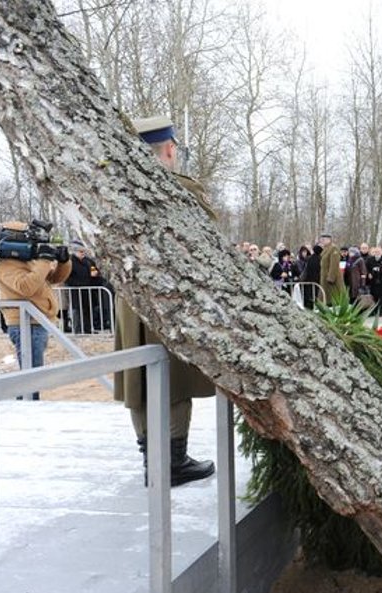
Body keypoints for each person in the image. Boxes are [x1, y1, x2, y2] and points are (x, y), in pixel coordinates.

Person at [116, 115, 217, 487]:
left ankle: (150, 461)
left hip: (130, 301)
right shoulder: (179, 188)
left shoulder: (113, 188)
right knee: (173, 380)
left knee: (138, 380)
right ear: (170, 149)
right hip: (168, 298)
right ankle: (172, 462)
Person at [0, 221, 72, 400]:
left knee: (32, 374)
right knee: (31, 376)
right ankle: (28, 408)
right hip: (24, 324)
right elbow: (25, 287)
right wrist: (43, 261)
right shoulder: (4, 266)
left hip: (38, 321)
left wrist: (63, 261)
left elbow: (54, 278)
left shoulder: (28, 261)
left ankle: (27, 405)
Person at [65, 239, 105, 333]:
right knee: (78, 311)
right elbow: (68, 278)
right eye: (80, 251)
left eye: (84, 251)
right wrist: (79, 284)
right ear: (75, 252)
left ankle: (88, 329)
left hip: (89, 291)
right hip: (77, 291)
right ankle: (78, 329)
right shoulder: (70, 262)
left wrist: (96, 274)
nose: (83, 253)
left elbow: (94, 271)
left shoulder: (89, 261)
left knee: (89, 310)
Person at [319, 232, 345, 304]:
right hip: (325, 277)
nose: (322, 241)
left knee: (333, 298)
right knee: (325, 297)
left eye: (323, 239)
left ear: (329, 240)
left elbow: (334, 264)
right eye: (322, 239)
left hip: (332, 279)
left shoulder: (333, 248)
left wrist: (331, 277)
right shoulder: (325, 249)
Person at [300, 244, 323, 309]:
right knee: (315, 295)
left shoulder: (309, 259)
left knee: (309, 295)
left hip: (308, 280)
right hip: (317, 280)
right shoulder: (320, 259)